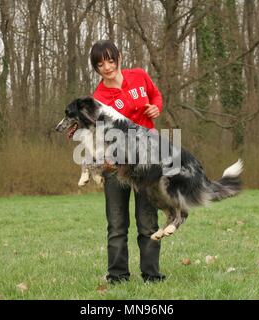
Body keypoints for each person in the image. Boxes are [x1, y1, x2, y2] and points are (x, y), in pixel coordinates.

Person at [90, 40, 166, 284]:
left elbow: (156, 96)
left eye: (110, 60)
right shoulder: (99, 96)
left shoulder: (140, 76)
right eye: (100, 64)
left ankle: (152, 275)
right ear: (96, 68)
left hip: (146, 162)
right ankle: (117, 276)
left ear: (119, 57)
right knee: (117, 224)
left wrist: (156, 108)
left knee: (148, 222)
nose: (107, 67)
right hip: (117, 165)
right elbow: (102, 132)